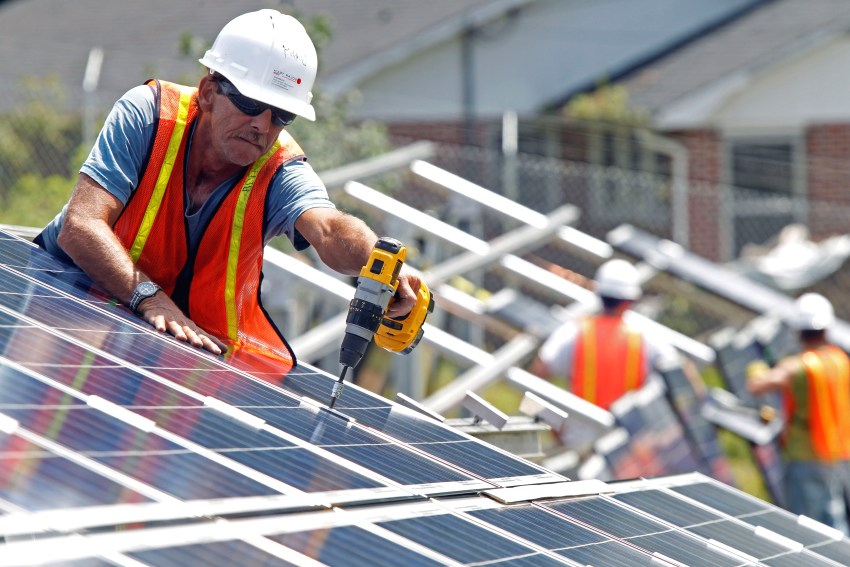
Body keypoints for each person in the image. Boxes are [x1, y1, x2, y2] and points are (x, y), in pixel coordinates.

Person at [33, 10, 421, 368]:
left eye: (281, 115)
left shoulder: (279, 168)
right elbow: (81, 225)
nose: (262, 126)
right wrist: (150, 299)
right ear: (207, 92)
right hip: (63, 303)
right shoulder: (149, 114)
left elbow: (328, 227)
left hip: (180, 347)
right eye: (251, 103)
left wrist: (379, 263)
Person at [746, 293, 850, 534]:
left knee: (808, 526)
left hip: (806, 455)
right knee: (833, 517)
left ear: (798, 331)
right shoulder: (839, 359)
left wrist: (756, 367)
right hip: (837, 451)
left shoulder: (798, 366)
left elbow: (757, 385)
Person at [529, 259, 677, 411]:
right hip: (633, 431)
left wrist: (549, 424)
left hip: (582, 431)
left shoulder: (574, 330)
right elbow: (680, 378)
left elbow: (535, 378)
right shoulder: (646, 335)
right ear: (631, 300)